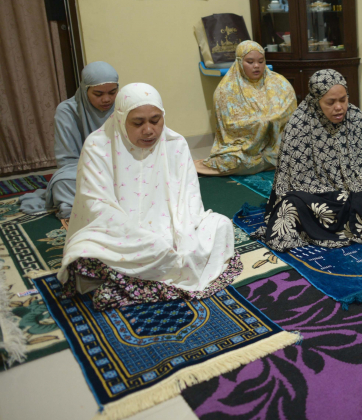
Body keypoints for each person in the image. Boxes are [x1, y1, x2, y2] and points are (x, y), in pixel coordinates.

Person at [58, 83, 241, 311]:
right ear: (120, 119)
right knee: (85, 251)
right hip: (119, 237)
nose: (148, 130)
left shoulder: (175, 144)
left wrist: (181, 238)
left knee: (221, 225)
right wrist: (142, 238)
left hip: (170, 231)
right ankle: (152, 279)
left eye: (155, 120)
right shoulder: (98, 147)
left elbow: (190, 199)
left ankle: (131, 284)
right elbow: (97, 207)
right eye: (137, 123)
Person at [253, 70, 362, 252]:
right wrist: (337, 192)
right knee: (292, 205)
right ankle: (349, 210)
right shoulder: (299, 124)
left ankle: (349, 208)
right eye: (330, 102)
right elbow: (298, 179)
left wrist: (357, 186)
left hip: (355, 182)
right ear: (316, 101)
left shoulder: (355, 116)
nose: (339, 107)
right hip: (319, 191)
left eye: (343, 99)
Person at [19, 62, 119, 219]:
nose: (107, 99)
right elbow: (67, 161)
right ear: (85, 90)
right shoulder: (67, 111)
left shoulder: (123, 107)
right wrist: (98, 172)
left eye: (112, 92)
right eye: (98, 94)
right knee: (63, 181)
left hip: (121, 168)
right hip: (86, 172)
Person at [195, 41, 297, 176]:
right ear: (239, 62)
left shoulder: (279, 82)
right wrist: (261, 124)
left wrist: (272, 121)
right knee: (228, 161)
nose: (257, 66)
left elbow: (290, 111)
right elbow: (229, 125)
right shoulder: (226, 89)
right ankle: (267, 163)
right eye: (250, 62)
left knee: (303, 147)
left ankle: (266, 162)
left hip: (277, 143)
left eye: (261, 61)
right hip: (244, 148)